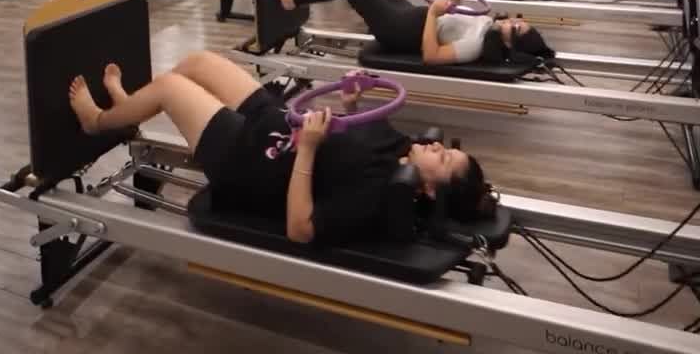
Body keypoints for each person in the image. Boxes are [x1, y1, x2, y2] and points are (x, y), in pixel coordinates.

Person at [68, 50, 494, 246]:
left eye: (442, 158)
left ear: (431, 190)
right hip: (275, 123)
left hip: (248, 161)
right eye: (444, 147)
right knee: (198, 62)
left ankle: (97, 121)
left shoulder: (376, 194)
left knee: (169, 88)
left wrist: (307, 149)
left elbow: (299, 229)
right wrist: (351, 104)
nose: (434, 146)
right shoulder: (403, 147)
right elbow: (350, 138)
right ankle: (130, 108)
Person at [275, 0, 553, 66]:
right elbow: (452, 23)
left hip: (398, 30)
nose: (512, 22)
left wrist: (433, 13)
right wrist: (455, 4)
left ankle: (293, 0)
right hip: (409, 16)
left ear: (510, 43)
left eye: (516, 28)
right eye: (518, 21)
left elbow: (430, 56)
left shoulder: (476, 46)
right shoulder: (488, 25)